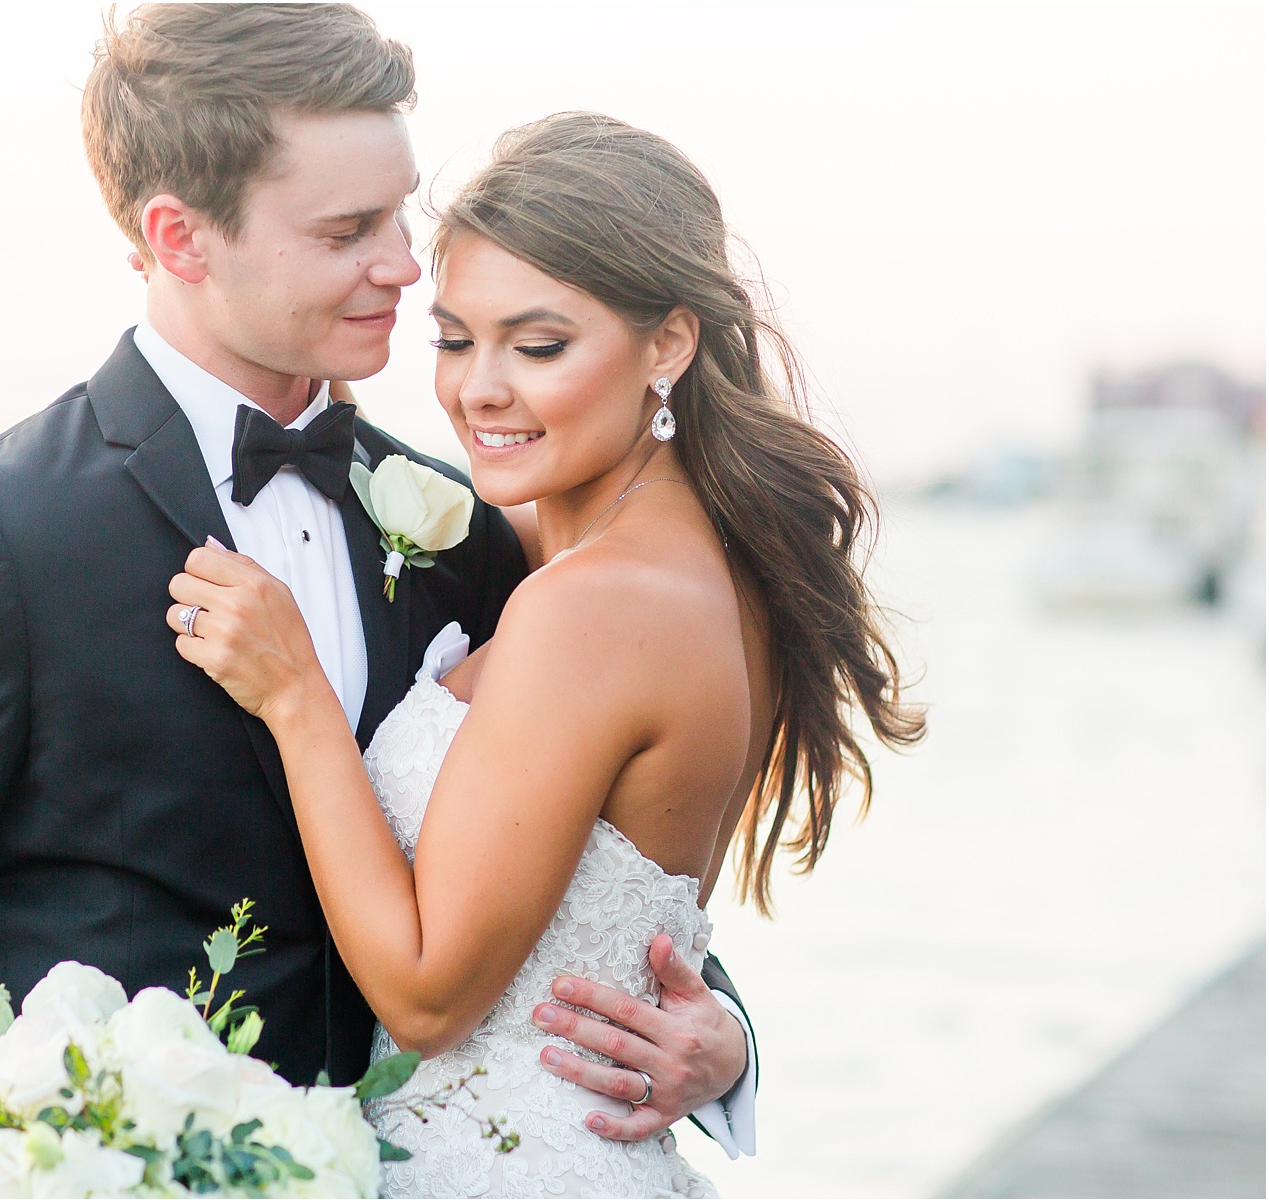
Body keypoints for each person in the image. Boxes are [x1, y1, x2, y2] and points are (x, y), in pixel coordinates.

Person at [0, 10, 755, 1197]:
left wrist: (725, 1042)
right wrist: (48, 1169)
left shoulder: (465, 525)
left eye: (400, 214)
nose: (402, 261)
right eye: (348, 230)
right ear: (181, 238)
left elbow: (570, 858)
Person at [169, 111, 926, 1197]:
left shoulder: (599, 603)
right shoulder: (684, 557)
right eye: (456, 337)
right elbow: (603, 912)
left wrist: (297, 700)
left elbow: (431, 994)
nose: (480, 388)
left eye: (538, 346)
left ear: (668, 343)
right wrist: (728, 1042)